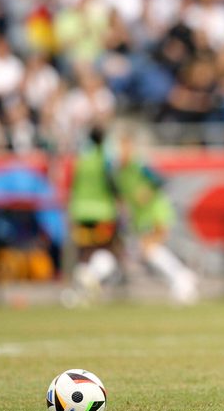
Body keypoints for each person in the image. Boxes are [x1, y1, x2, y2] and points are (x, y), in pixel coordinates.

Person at [112, 129, 198, 305]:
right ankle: (182, 278)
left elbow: (161, 180)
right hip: (141, 217)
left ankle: (182, 279)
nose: (122, 150)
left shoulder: (139, 165)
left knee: (149, 250)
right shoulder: (119, 171)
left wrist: (148, 192)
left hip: (155, 213)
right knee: (147, 253)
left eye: (125, 146)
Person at [66, 127, 120, 306]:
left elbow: (73, 184)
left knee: (84, 254)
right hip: (102, 212)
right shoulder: (104, 160)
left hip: (80, 211)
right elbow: (111, 183)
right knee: (107, 252)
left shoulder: (81, 160)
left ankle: (79, 292)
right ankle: (91, 279)